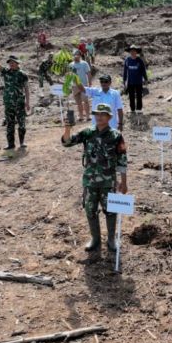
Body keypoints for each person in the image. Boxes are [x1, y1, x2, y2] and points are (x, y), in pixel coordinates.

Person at [61, 104, 128, 253]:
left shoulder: (116, 136)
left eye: (103, 114)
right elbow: (67, 142)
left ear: (109, 117)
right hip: (90, 181)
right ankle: (95, 239)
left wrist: (123, 182)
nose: (99, 116)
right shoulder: (87, 132)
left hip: (108, 181)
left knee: (110, 211)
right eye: (97, 114)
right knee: (90, 210)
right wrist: (67, 128)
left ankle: (111, 239)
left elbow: (122, 160)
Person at [0, 49, 31, 151]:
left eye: (13, 62)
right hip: (8, 103)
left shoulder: (22, 74)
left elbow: (26, 88)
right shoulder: (6, 72)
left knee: (21, 123)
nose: (11, 64)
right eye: (10, 63)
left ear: (17, 63)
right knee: (10, 123)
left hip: (19, 102)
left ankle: (22, 142)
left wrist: (28, 102)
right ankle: (11, 144)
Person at [122, 45, 148, 115]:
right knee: (131, 96)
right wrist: (124, 81)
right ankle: (132, 109)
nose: (133, 52)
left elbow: (143, 70)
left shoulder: (139, 60)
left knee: (139, 95)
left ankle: (139, 109)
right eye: (131, 51)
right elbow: (125, 71)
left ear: (136, 52)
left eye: (134, 51)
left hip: (138, 81)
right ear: (129, 52)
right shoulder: (127, 60)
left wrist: (145, 79)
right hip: (130, 81)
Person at [70, 50, 92, 121]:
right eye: (75, 54)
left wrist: (90, 83)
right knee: (78, 102)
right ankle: (81, 116)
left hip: (83, 85)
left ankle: (88, 116)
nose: (76, 56)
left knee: (85, 101)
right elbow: (69, 76)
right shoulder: (71, 65)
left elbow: (88, 73)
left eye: (77, 54)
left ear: (80, 55)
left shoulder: (84, 63)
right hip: (74, 86)